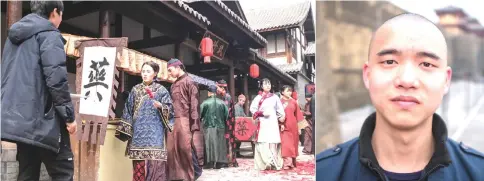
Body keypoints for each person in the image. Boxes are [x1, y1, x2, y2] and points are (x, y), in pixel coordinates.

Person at [316, 13, 484, 181]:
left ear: (446, 80)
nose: (406, 80)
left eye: (426, 64)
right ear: (367, 75)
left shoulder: (477, 172)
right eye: (389, 62)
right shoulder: (322, 173)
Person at [1, 1, 77, 180]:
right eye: (61, 14)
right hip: (46, 122)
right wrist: (69, 117)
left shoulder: (14, 38)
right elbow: (56, 80)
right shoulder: (50, 35)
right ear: (55, 12)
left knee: (27, 174)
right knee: (63, 173)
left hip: (21, 122)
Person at [115, 62, 174, 181]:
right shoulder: (135, 90)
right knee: (139, 168)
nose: (145, 74)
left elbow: (171, 110)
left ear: (155, 73)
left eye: (148, 71)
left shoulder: (161, 90)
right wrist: (126, 130)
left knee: (156, 167)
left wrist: (162, 107)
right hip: (138, 136)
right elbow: (128, 110)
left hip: (155, 135)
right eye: (143, 71)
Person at [166, 58, 203, 181]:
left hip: (185, 120)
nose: (169, 73)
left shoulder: (190, 82)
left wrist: (194, 125)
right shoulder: (173, 85)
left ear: (178, 67)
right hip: (173, 120)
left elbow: (194, 105)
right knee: (172, 149)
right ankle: (178, 176)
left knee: (185, 147)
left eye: (170, 70)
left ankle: (195, 172)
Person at [250, 78, 285, 170]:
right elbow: (252, 109)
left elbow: (280, 110)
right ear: (261, 86)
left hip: (273, 122)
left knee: (273, 141)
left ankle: (274, 163)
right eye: (265, 84)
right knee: (263, 142)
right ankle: (264, 164)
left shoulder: (275, 97)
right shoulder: (258, 98)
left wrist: (281, 118)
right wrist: (261, 113)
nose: (268, 86)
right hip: (263, 123)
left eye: (269, 84)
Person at [200, 85, 229, 169]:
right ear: (216, 92)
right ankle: (220, 163)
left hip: (209, 125)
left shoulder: (205, 103)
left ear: (209, 93)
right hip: (221, 126)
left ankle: (210, 163)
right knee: (220, 144)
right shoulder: (222, 102)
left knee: (209, 144)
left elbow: (200, 114)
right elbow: (226, 115)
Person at [280, 85, 304, 170]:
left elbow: (298, 115)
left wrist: (300, 128)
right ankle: (287, 163)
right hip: (283, 126)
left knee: (294, 144)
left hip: (293, 126)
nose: (289, 92)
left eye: (290, 91)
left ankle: (292, 162)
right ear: (282, 92)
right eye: (287, 91)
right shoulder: (279, 102)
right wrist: (280, 123)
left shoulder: (294, 102)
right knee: (286, 144)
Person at [216, 79, 238, 167]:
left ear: (223, 88)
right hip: (226, 122)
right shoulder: (223, 96)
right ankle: (229, 161)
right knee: (226, 142)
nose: (217, 89)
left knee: (227, 142)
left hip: (228, 123)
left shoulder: (227, 97)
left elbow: (226, 112)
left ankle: (227, 161)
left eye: (218, 87)